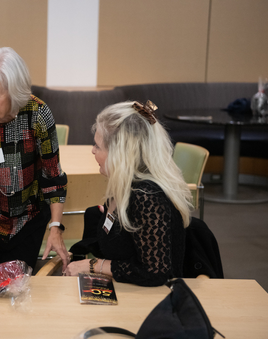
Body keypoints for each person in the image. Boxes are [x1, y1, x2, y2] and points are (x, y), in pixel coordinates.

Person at [0, 47, 69, 274]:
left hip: (29, 217)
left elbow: (52, 176)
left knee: (18, 286)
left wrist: (55, 227)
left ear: (14, 93)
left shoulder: (37, 113)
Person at [64, 101, 193, 287]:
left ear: (120, 154)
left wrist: (93, 265)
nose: (92, 151)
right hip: (126, 290)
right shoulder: (123, 188)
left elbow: (154, 273)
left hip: (149, 303)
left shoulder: (147, 197)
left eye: (98, 146)